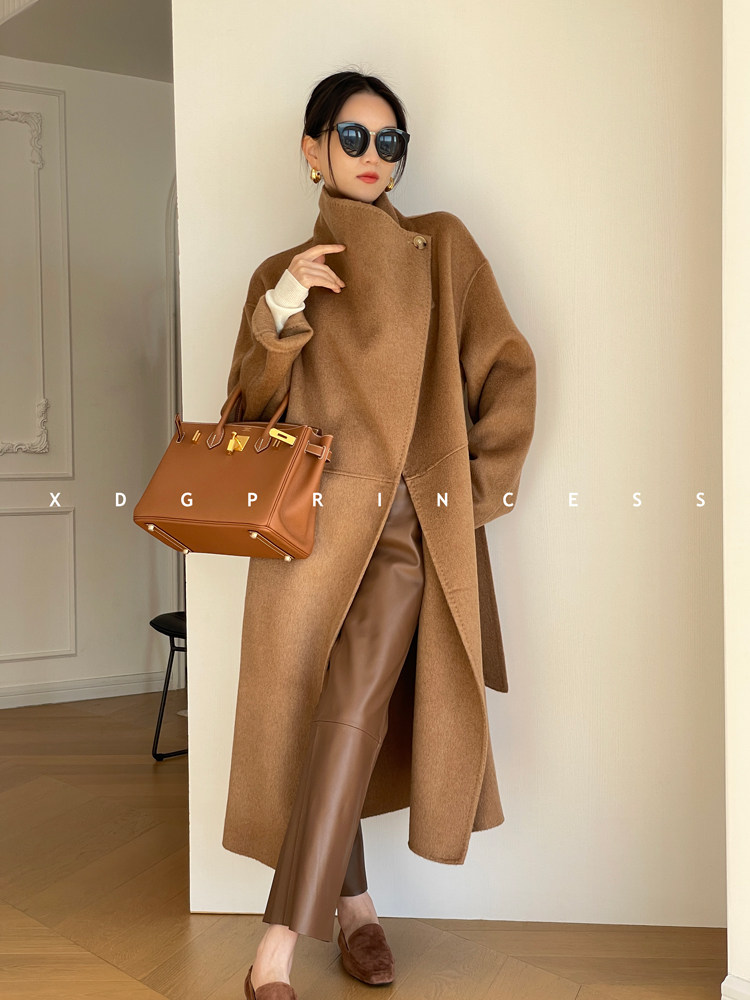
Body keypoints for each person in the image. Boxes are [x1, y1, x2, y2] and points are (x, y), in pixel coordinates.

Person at [223, 69, 537, 1000]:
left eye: (388, 141)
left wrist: (465, 495)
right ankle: (356, 910)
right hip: (305, 536)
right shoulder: (280, 275)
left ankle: (277, 947)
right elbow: (248, 418)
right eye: (352, 138)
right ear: (313, 150)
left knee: (350, 711)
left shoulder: (443, 248)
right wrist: (284, 308)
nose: (371, 156)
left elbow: (510, 372)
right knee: (315, 719)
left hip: (404, 533)